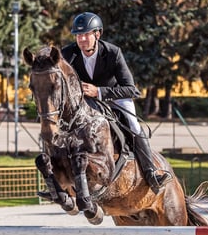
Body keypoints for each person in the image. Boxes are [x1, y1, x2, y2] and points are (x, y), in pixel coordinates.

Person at [58, 11, 172, 194]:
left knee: (134, 126)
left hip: (114, 99)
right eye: (78, 35)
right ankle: (58, 180)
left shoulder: (112, 53)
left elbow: (131, 88)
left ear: (97, 34)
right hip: (85, 103)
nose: (81, 39)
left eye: (86, 34)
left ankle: (151, 175)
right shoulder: (67, 54)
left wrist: (99, 91)